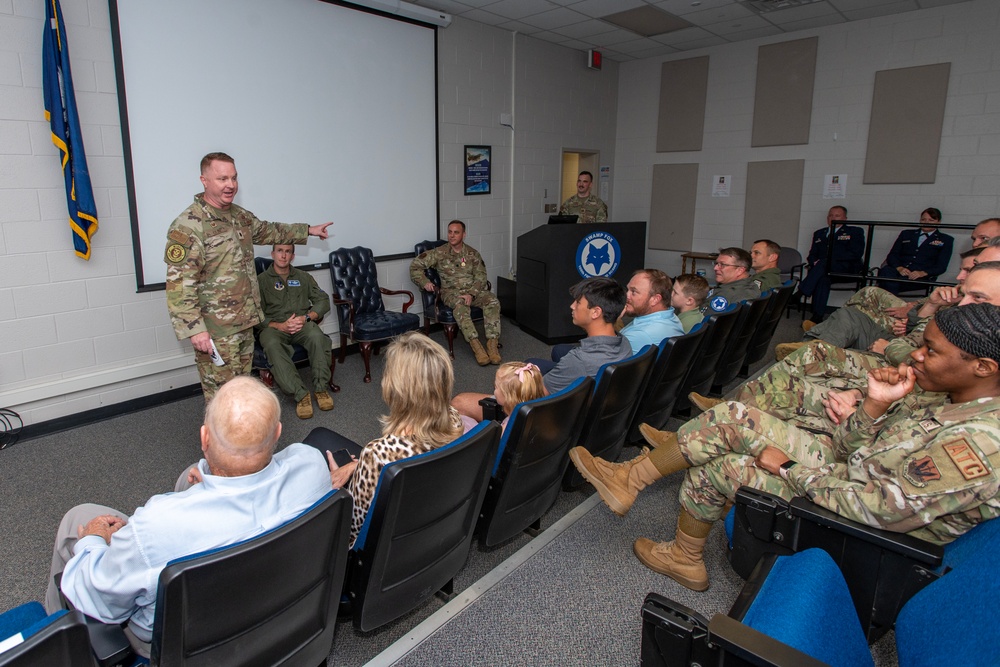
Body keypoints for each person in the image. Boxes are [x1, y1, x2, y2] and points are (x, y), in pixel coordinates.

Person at [571, 304, 1000, 591]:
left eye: (931, 350)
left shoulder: (980, 441)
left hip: (873, 532)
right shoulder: (950, 398)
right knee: (731, 421)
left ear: (983, 367)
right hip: (851, 477)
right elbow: (857, 448)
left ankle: (677, 546)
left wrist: (789, 466)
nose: (916, 356)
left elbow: (878, 509)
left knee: (725, 458)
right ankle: (636, 484)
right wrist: (872, 405)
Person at [46, 377, 333, 656]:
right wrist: (207, 477)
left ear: (204, 438)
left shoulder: (154, 527)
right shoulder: (311, 463)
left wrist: (94, 540)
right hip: (278, 606)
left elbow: (98, 599)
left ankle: (54, 645)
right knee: (188, 476)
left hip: (178, 643)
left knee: (78, 518)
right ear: (278, 432)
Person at [165, 152, 333, 400]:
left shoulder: (239, 216)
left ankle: (241, 438)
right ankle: (217, 439)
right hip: (216, 331)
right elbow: (179, 286)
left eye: (234, 178)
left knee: (241, 391)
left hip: (245, 324)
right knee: (222, 398)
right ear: (204, 180)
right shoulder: (188, 226)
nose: (230, 185)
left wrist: (307, 230)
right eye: (222, 178)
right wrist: (195, 329)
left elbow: (269, 230)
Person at [322, 332, 464, 546]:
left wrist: (337, 491)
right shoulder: (454, 419)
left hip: (371, 549)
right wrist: (357, 466)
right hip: (425, 515)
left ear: (397, 388)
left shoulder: (378, 454)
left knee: (319, 442)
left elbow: (353, 525)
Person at [452, 277, 632, 421]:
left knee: (460, 402)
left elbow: (531, 399)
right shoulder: (623, 343)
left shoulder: (578, 361)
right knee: (532, 363)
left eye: (578, 302)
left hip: (552, 419)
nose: (572, 306)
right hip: (591, 411)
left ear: (596, 312)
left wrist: (502, 391)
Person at [256, 243, 334, 420]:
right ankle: (301, 394)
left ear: (292, 256)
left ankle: (321, 388)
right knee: (271, 344)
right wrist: (279, 325)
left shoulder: (303, 277)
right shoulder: (261, 281)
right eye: (280, 251)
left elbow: (323, 300)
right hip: (274, 327)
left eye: (288, 252)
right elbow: (255, 314)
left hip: (301, 324)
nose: (283, 256)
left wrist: (307, 317)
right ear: (273, 254)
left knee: (317, 336)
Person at [410, 220, 501, 366]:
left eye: (456, 232)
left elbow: (481, 277)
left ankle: (492, 344)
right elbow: (415, 266)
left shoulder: (472, 254)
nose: (452, 236)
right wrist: (424, 282)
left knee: (492, 300)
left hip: (473, 292)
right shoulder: (439, 253)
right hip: (451, 293)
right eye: (450, 232)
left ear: (464, 235)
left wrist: (471, 294)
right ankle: (476, 346)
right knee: (460, 305)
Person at [797, 206, 865, 322]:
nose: (833, 218)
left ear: (845, 218)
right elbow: (812, 254)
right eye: (830, 215)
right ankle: (817, 317)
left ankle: (801, 292)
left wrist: (828, 260)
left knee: (824, 263)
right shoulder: (820, 233)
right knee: (823, 279)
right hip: (825, 271)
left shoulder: (854, 232)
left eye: (837, 215)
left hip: (845, 270)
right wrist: (814, 261)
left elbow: (855, 254)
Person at [877, 207, 954, 294]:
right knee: (886, 272)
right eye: (923, 219)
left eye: (931, 220)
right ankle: (892, 303)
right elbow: (893, 255)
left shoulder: (946, 239)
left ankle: (888, 303)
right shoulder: (906, 234)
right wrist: (899, 268)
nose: (926, 222)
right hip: (898, 272)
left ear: (938, 222)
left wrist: (923, 273)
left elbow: (941, 266)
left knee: (888, 283)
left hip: (920, 276)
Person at [619, 269, 684, 350]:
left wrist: (609, 322)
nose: (626, 296)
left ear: (655, 299)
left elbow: (603, 358)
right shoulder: (671, 317)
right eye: (628, 289)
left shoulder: (638, 335)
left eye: (633, 292)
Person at [703, 247, 761, 312]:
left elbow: (703, 318)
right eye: (716, 263)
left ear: (740, 270)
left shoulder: (726, 295)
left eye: (722, 265)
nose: (715, 268)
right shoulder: (751, 285)